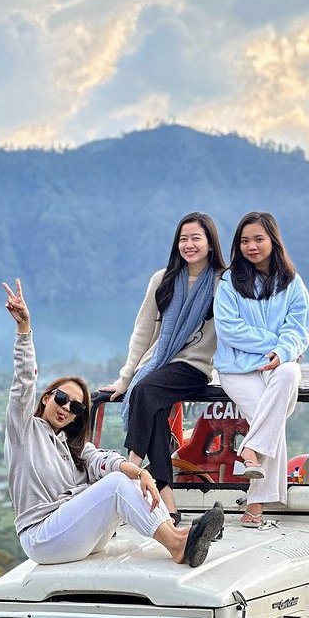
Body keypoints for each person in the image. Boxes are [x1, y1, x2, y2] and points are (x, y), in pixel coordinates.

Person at [1, 278, 223, 567]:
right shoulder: (24, 434)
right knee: (118, 484)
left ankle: (177, 534)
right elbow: (22, 384)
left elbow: (102, 460)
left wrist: (140, 472)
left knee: (122, 476)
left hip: (79, 535)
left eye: (76, 407)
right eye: (61, 398)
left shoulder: (71, 446)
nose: (66, 408)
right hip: (43, 536)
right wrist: (24, 330)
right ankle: (178, 544)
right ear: (46, 398)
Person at [99, 212, 226, 525]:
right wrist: (125, 377)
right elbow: (143, 331)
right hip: (158, 364)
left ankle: (131, 466)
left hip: (194, 367)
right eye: (183, 238)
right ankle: (168, 503)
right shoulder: (163, 279)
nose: (189, 244)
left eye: (196, 238)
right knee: (152, 406)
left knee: (145, 391)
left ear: (210, 243)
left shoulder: (223, 282)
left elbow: (240, 327)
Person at [213, 212, 309, 528]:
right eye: (245, 241)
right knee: (271, 420)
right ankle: (256, 507)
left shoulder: (293, 284)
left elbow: (299, 329)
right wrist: (274, 343)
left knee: (290, 374)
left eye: (258, 239)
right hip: (237, 368)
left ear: (273, 241)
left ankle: (251, 449)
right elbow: (228, 328)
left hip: (275, 365)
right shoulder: (229, 281)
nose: (252, 246)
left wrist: (283, 352)